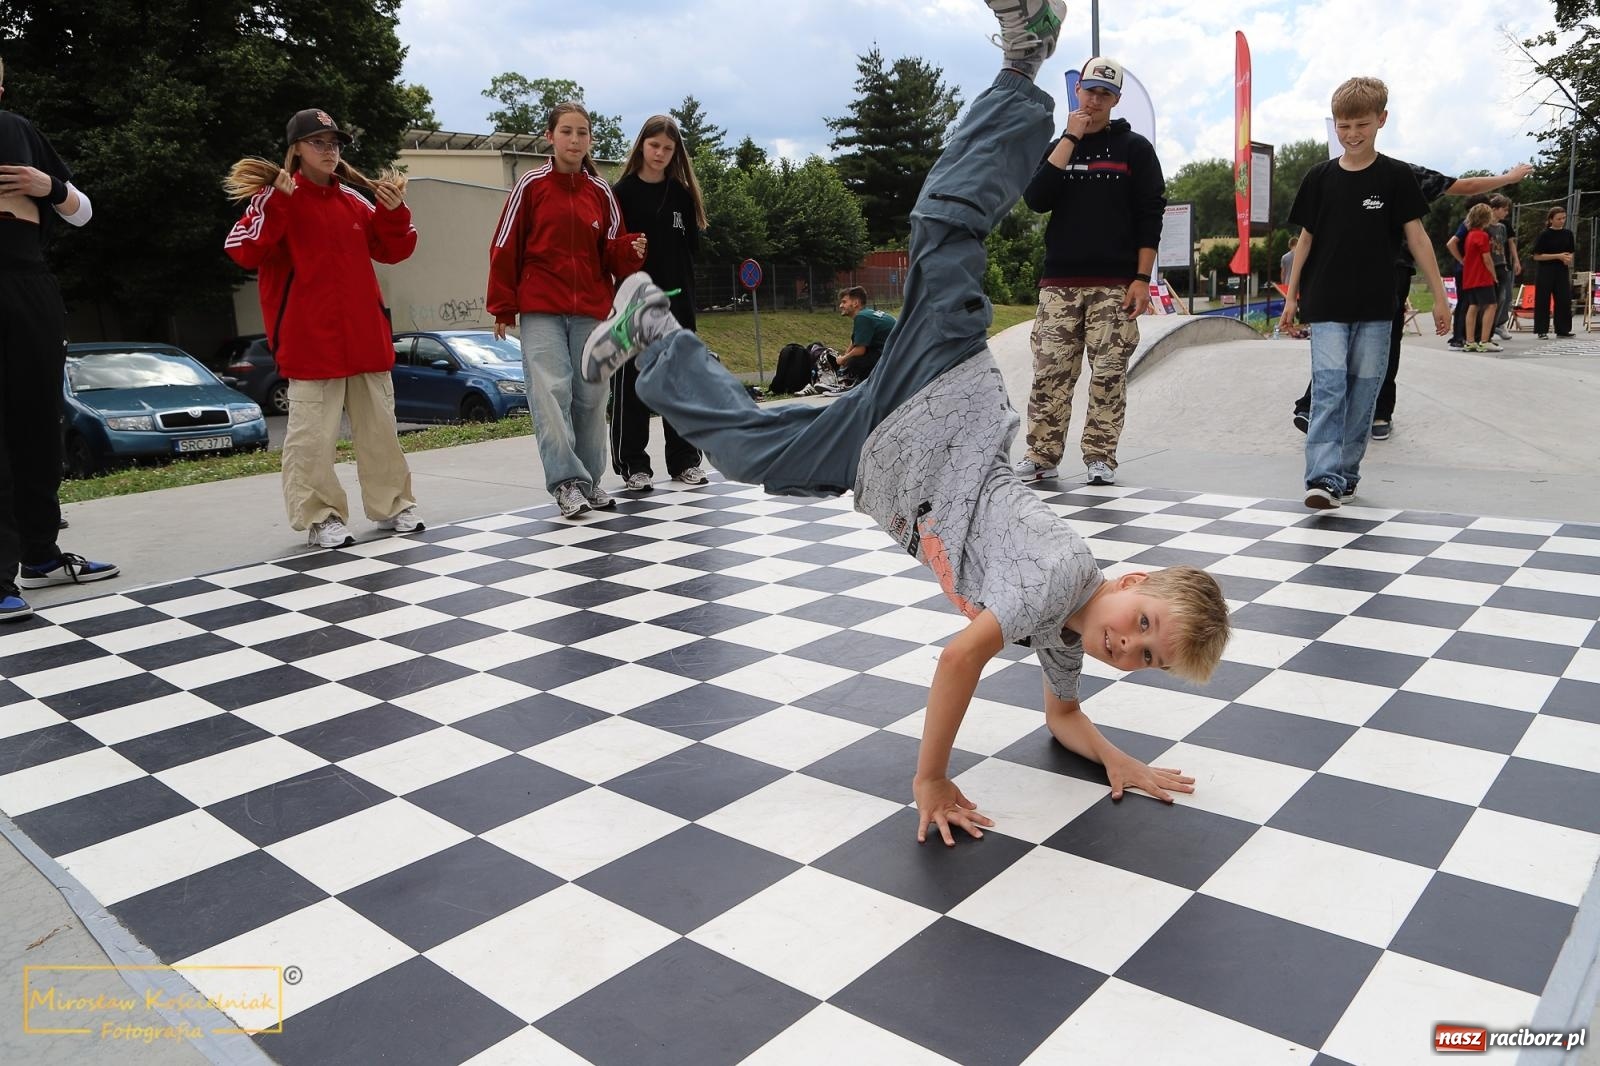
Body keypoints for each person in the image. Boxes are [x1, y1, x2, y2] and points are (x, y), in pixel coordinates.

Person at [579, 0, 1231, 847]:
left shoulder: (1068, 631)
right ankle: (1023, 63)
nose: (1127, 647)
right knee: (943, 226)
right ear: (1133, 582)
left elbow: (1063, 720)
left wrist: (1118, 759)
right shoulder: (1059, 573)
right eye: (1142, 627)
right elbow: (960, 658)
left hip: (885, 454)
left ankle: (653, 331)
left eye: (1145, 658)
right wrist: (931, 777)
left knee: (748, 453)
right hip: (944, 389)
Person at [224, 108, 423, 550]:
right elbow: (241, 249)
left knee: (381, 433)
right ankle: (321, 517)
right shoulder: (273, 199)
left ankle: (393, 505)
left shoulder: (355, 201)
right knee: (311, 440)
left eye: (334, 144)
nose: (329, 151)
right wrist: (276, 203)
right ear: (296, 149)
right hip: (310, 344)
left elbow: (395, 250)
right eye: (319, 142)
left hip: (366, 341)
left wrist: (394, 214)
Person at [1281, 77, 1450, 511]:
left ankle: (1346, 474)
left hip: (1377, 305)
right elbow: (1305, 240)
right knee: (1330, 387)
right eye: (1343, 126)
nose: (1352, 134)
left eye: (1361, 125)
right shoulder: (1319, 178)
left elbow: (1418, 239)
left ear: (1381, 120)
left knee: (1363, 392)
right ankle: (1321, 477)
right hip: (1327, 303)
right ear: (1334, 125)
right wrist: (1291, 296)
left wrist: (1441, 297)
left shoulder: (1395, 177)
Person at [1288, 163, 1533, 439]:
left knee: (1385, 341)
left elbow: (1465, 187)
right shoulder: (1330, 176)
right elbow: (1310, 233)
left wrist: (1509, 178)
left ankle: (1380, 410)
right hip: (1342, 269)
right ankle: (1314, 403)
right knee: (1336, 336)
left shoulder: (1403, 174)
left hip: (1391, 268)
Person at [0, 55, 118, 623]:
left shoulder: (19, 130)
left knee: (38, 423)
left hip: (27, 281)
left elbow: (83, 213)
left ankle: (40, 554)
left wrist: (49, 187)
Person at [488, 101, 646, 518]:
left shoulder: (602, 192)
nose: (575, 140)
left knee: (592, 397)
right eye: (566, 132)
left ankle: (590, 482)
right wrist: (503, 306)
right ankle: (565, 483)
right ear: (550, 137)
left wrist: (629, 252)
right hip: (541, 308)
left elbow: (612, 253)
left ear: (590, 140)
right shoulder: (530, 186)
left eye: (582, 133)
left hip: (591, 311)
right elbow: (505, 245)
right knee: (550, 393)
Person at [1013, 55, 1165, 488]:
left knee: (1109, 372)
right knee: (1050, 372)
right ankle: (1042, 455)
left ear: (1116, 99)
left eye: (1105, 94)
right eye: (1089, 91)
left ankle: (1100, 456)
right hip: (1060, 282)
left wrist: (1142, 279)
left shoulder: (1134, 149)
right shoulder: (1061, 145)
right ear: (1077, 91)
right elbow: (1037, 199)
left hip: (1116, 283)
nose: (1095, 100)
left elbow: (1149, 214)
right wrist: (1069, 137)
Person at [610, 116, 708, 492]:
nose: (660, 154)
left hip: (678, 307)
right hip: (634, 304)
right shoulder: (621, 193)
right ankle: (633, 463)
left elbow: (688, 257)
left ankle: (684, 459)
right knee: (632, 385)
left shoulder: (682, 195)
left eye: (668, 149)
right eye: (655, 146)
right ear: (641, 146)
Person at [1444, 194, 1495, 351]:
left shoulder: (1471, 230)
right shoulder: (1469, 227)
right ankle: (1462, 338)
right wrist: (1461, 260)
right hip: (1474, 272)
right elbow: (1452, 243)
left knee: (1471, 304)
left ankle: (1470, 339)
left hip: (1469, 272)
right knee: (1473, 304)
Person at [1530, 205, 1576, 339]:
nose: (1562, 221)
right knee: (1543, 299)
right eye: (1558, 219)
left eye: (1563, 218)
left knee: (1563, 299)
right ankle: (1541, 329)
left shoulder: (1568, 234)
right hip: (1546, 270)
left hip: (1561, 270)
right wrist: (1558, 256)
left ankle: (1563, 329)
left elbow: (1570, 251)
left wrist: (1568, 258)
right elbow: (1536, 256)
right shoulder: (1544, 235)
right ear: (1551, 220)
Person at [1458, 203, 1498, 352]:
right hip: (1482, 276)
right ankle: (1485, 340)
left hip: (1470, 277)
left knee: (1473, 306)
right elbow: (1486, 259)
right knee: (1491, 305)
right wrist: (1494, 275)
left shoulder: (1470, 235)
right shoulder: (1482, 235)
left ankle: (1470, 341)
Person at [835, 286, 896, 385]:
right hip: (896, 351)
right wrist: (844, 359)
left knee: (855, 361)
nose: (841, 306)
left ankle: (860, 384)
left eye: (844, 302)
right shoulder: (867, 314)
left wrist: (844, 359)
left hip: (892, 356)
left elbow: (860, 350)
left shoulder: (862, 317)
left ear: (855, 303)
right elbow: (855, 341)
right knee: (851, 359)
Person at [1488, 194, 1520, 341]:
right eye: (1504, 210)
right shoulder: (1485, 225)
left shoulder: (1504, 225)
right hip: (1490, 264)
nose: (1506, 213)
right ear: (1494, 209)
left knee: (1505, 296)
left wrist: (1516, 260)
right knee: (1492, 297)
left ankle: (1500, 323)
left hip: (1503, 262)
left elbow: (1511, 243)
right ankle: (1487, 326)